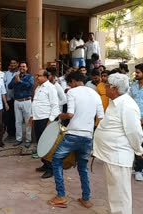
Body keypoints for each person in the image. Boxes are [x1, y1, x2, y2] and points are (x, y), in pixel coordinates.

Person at [49, 71, 104, 208]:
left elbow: (70, 114)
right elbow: (101, 118)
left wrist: (61, 116)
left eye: (70, 83)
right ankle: (86, 198)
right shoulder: (96, 94)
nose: (70, 86)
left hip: (73, 135)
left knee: (56, 160)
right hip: (87, 136)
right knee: (83, 167)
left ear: (73, 81)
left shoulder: (72, 92)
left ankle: (61, 196)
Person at [93, 73, 143, 214]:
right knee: (114, 195)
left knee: (120, 197)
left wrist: (139, 151)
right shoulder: (115, 102)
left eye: (107, 85)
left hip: (118, 157)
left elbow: (135, 133)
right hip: (111, 156)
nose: (105, 87)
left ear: (114, 89)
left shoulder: (127, 106)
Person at [32, 69, 60, 178]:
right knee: (40, 143)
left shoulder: (51, 88)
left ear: (46, 77)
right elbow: (36, 103)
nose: (36, 77)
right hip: (37, 119)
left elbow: (55, 106)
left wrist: (51, 120)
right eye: (36, 75)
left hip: (46, 119)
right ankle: (45, 163)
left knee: (47, 144)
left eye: (39, 76)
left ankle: (51, 168)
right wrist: (32, 116)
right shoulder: (38, 88)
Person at [8, 62, 34, 148]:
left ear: (26, 68)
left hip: (26, 101)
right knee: (18, 121)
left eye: (24, 66)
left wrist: (20, 81)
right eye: (20, 66)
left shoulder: (30, 77)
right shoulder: (16, 76)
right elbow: (9, 86)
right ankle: (18, 139)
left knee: (27, 122)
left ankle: (28, 140)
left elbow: (30, 86)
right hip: (17, 101)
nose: (22, 68)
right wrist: (15, 81)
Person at [129, 63, 143, 181]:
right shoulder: (133, 86)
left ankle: (139, 169)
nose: (136, 74)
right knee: (136, 143)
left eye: (138, 72)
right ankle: (138, 169)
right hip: (134, 119)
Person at [3, 59, 20, 140]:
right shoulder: (6, 74)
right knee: (9, 117)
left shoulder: (21, 73)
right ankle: (10, 134)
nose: (13, 64)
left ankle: (18, 135)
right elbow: (4, 85)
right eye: (11, 63)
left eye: (14, 63)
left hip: (17, 99)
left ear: (17, 64)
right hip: (9, 99)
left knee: (18, 118)